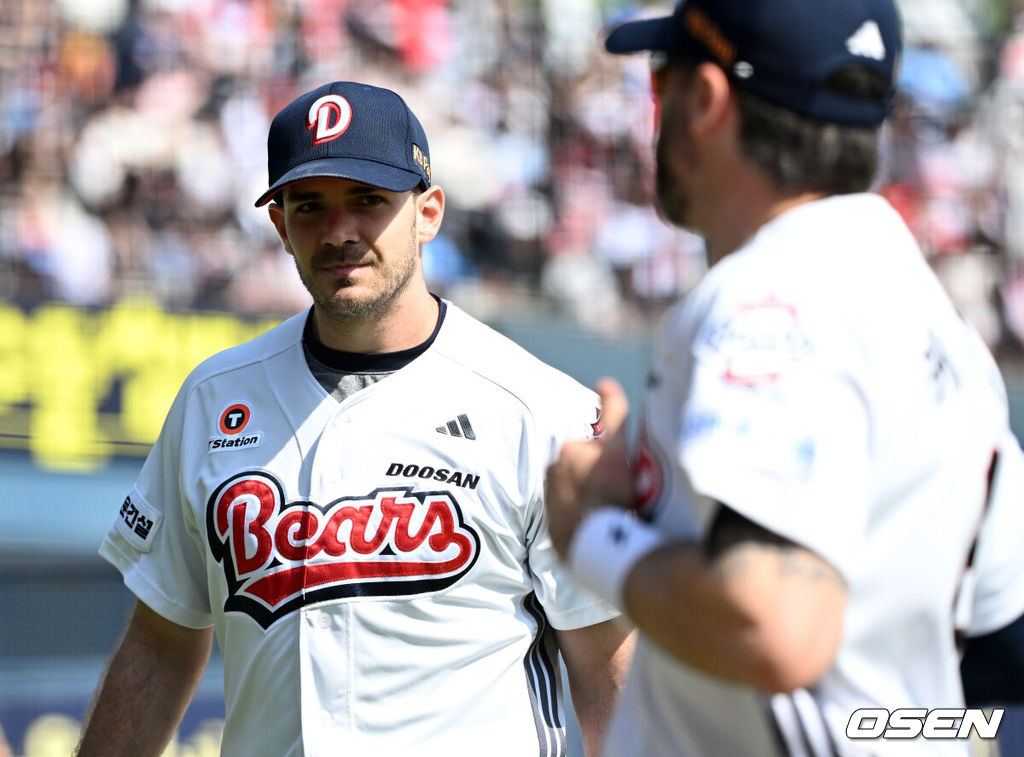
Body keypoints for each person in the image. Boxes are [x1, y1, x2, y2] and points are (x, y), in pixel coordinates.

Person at [76, 81, 633, 757]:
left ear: (428, 213)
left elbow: (611, 669)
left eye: (369, 201)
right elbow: (160, 644)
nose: (339, 232)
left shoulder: (537, 410)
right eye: (310, 206)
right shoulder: (212, 399)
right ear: (280, 225)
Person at [544, 1, 1024, 755]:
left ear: (705, 101)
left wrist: (594, 532)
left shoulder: (772, 298)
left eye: (662, 80)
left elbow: (775, 622)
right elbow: (1000, 659)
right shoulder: (944, 329)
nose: (655, 108)